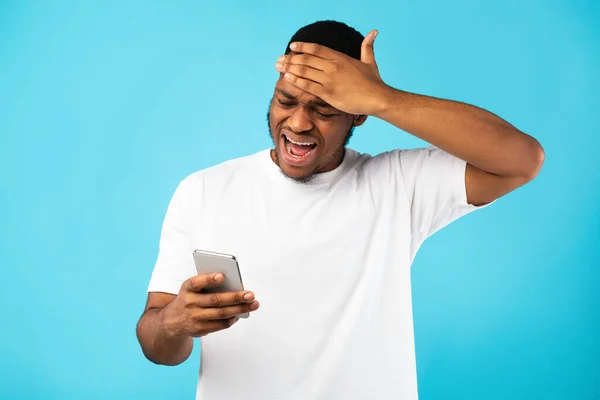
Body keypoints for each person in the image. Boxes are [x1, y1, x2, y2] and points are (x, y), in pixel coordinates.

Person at [136, 20, 544, 400]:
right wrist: (176, 323)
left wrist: (383, 97)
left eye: (324, 109)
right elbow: (159, 347)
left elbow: (522, 158)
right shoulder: (203, 190)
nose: (297, 123)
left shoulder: (398, 183)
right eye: (286, 100)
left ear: (358, 113)